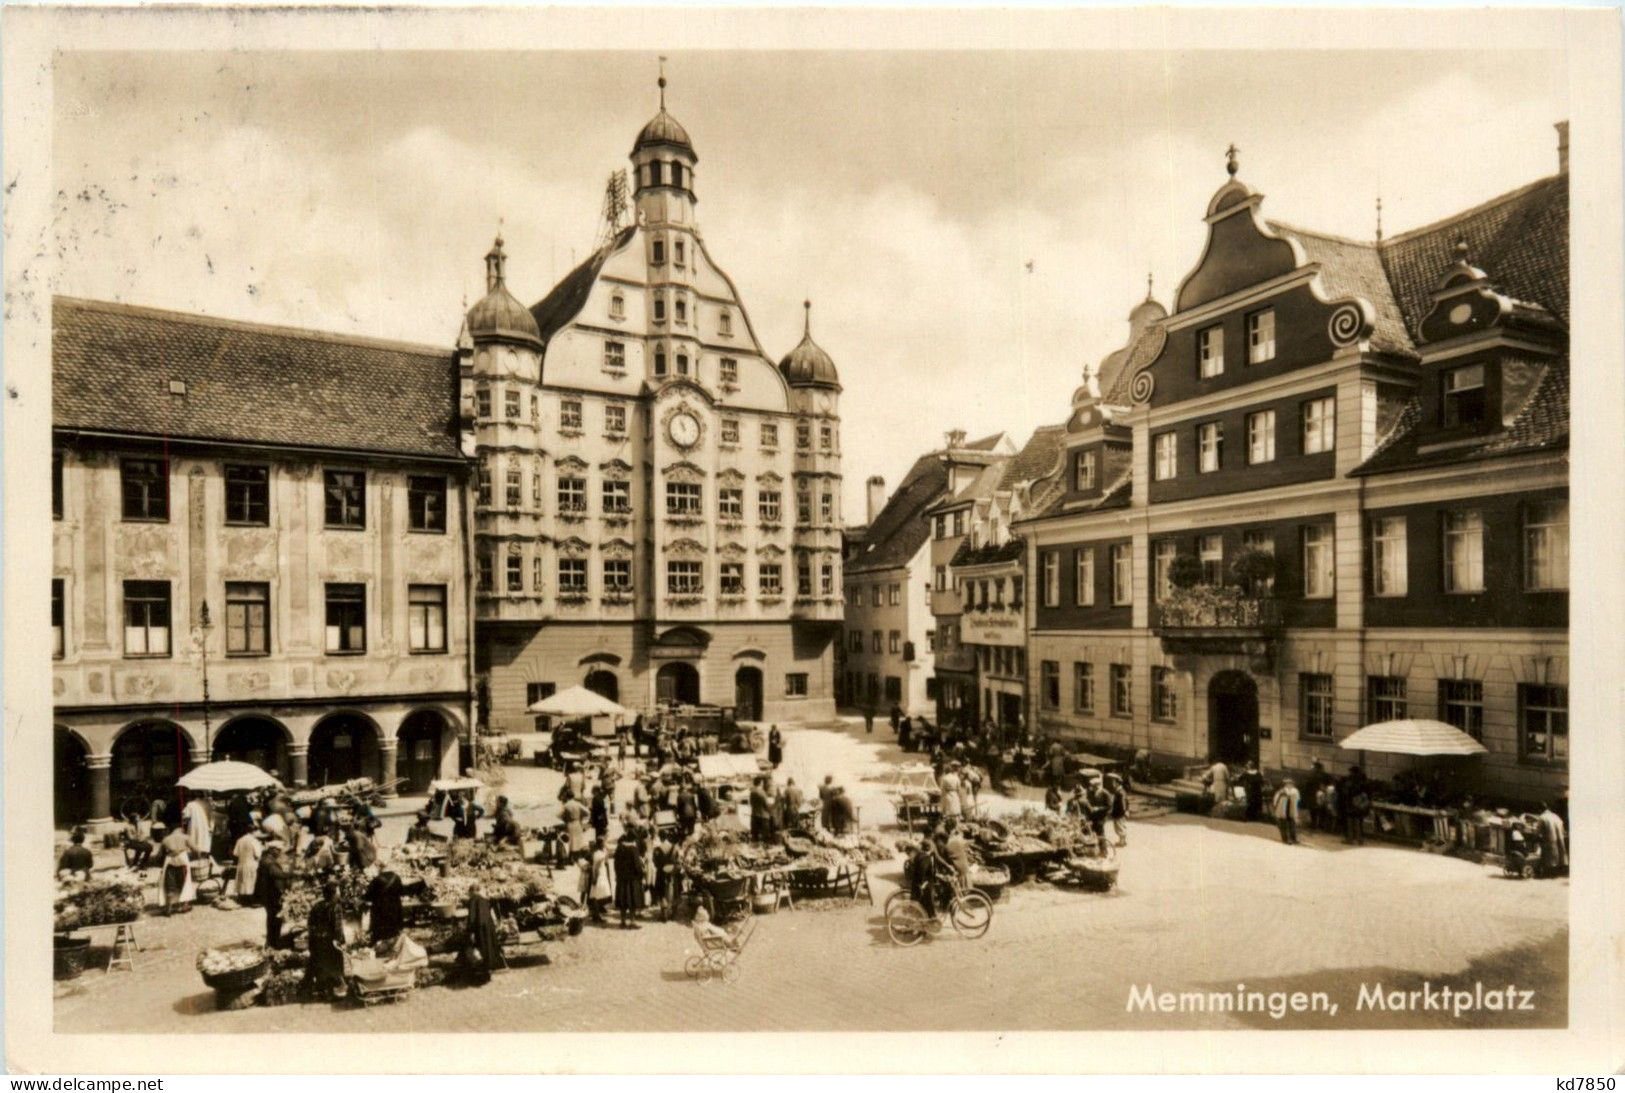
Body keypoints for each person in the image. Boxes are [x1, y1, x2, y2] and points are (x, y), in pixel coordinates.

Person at [304, 881, 347, 997]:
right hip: (330, 942)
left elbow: (310, 924)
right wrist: (342, 941)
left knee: (320, 965)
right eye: (338, 892)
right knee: (334, 965)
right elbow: (338, 928)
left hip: (317, 941)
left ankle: (320, 989)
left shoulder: (317, 906)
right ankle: (333, 991)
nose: (339, 894)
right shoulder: (336, 907)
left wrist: (313, 940)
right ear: (333, 894)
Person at [461, 885, 502, 986]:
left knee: (482, 949)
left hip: (480, 927)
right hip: (489, 926)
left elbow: (472, 917)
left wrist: (469, 931)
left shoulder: (473, 900)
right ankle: (489, 971)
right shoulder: (484, 899)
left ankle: (483, 974)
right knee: (490, 948)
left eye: (469, 893)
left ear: (471, 892)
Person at [255, 840, 292, 948]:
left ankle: (272, 941)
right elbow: (278, 874)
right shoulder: (269, 862)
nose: (280, 852)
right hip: (271, 895)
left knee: (273, 918)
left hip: (268, 894)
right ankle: (274, 942)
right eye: (278, 850)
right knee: (275, 919)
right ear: (272, 850)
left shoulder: (266, 859)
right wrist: (293, 874)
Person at [159, 823, 196, 914]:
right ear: (180, 829)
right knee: (185, 882)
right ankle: (184, 906)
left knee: (170, 884)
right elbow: (196, 849)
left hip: (170, 860)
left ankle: (168, 908)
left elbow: (159, 855)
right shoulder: (185, 837)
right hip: (182, 859)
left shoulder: (165, 839)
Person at [612, 835, 646, 929]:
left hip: (622, 879)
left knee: (623, 900)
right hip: (632, 879)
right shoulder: (633, 849)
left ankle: (622, 921)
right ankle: (632, 921)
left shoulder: (619, 849)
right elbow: (637, 865)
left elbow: (615, 864)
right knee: (632, 900)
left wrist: (618, 875)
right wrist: (642, 873)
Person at [366, 868, 405, 944]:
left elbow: (368, 896)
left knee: (380, 931)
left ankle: (379, 946)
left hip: (380, 909)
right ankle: (393, 944)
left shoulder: (376, 879)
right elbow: (401, 891)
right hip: (394, 908)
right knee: (393, 930)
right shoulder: (396, 877)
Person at [652, 829, 680, 922]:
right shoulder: (674, 847)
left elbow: (655, 862)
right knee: (673, 890)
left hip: (661, 872)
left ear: (660, 837)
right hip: (672, 872)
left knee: (662, 892)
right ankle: (673, 913)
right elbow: (678, 860)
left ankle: (664, 914)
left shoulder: (657, 849)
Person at [585, 836, 614, 923]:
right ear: (600, 844)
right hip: (599, 875)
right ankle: (596, 915)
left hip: (601, 874)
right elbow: (596, 867)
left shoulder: (597, 852)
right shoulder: (599, 854)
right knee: (598, 895)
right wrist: (595, 877)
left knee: (596, 895)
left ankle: (596, 914)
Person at [232, 827, 264, 903]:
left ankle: (242, 898)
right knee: (251, 882)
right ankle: (251, 899)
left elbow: (235, 853)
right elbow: (258, 855)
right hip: (252, 864)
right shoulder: (254, 841)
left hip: (242, 864)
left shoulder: (240, 840)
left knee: (242, 881)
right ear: (254, 832)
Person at [1536, 801, 1568, 873]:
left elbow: (1539, 832)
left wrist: (1537, 838)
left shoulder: (1542, 817)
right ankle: (1560, 869)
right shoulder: (1556, 816)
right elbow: (1563, 829)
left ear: (1540, 810)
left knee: (1550, 857)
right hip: (1559, 838)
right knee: (1560, 854)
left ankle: (1549, 871)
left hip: (1549, 839)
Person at [1272, 778, 1301, 845]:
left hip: (1291, 809)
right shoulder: (1281, 791)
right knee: (1283, 824)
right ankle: (1285, 838)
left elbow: (1298, 799)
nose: (1289, 784)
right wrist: (1276, 807)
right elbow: (1276, 800)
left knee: (1292, 824)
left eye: (1290, 783)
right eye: (1287, 783)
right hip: (1283, 809)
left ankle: (1293, 837)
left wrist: (1296, 808)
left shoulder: (1295, 791)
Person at [1302, 761, 1328, 832]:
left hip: (1313, 795)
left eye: (1313, 767)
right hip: (1323, 795)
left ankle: (1314, 825)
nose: (1312, 768)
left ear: (1316, 768)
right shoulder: (1325, 775)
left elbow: (1307, 786)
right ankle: (1321, 825)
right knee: (1322, 811)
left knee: (1313, 811)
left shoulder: (1312, 776)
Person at [1106, 773, 1130, 847]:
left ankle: (1122, 842)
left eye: (1114, 782)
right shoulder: (1120, 791)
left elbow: (1123, 803)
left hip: (1119, 813)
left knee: (1119, 827)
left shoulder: (1120, 792)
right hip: (1120, 812)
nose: (1113, 784)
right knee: (1120, 826)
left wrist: (1124, 811)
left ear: (1117, 783)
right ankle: (1122, 841)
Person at [749, 778, 771, 843]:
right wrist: (770, 811)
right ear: (761, 783)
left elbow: (751, 803)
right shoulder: (762, 792)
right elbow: (766, 804)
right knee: (765, 837)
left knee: (755, 837)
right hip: (763, 817)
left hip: (754, 815)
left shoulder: (752, 792)